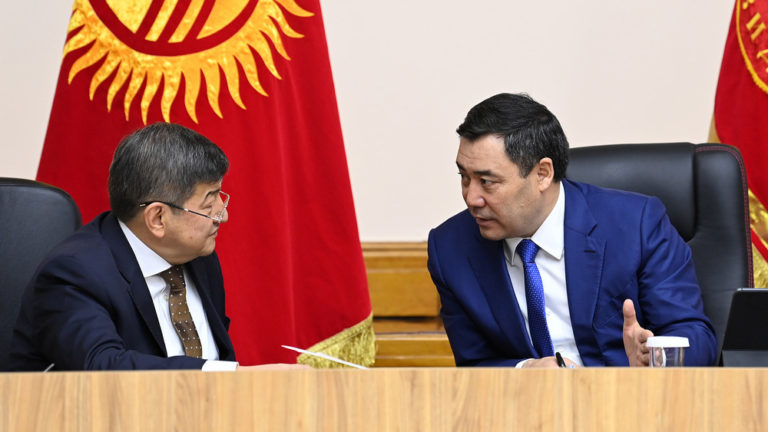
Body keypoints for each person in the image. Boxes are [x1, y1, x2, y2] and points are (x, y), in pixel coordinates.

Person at [427, 93, 717, 367]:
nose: (471, 198)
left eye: (487, 182)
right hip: (524, 402)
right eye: (464, 177)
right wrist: (525, 370)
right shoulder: (450, 249)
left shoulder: (637, 224)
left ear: (542, 174)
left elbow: (695, 334)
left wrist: (655, 358)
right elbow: (474, 364)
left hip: (627, 396)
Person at [9, 123, 299, 371]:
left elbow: (217, 355)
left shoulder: (197, 255)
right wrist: (237, 379)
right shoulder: (74, 274)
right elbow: (104, 368)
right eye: (209, 203)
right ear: (158, 218)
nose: (222, 215)